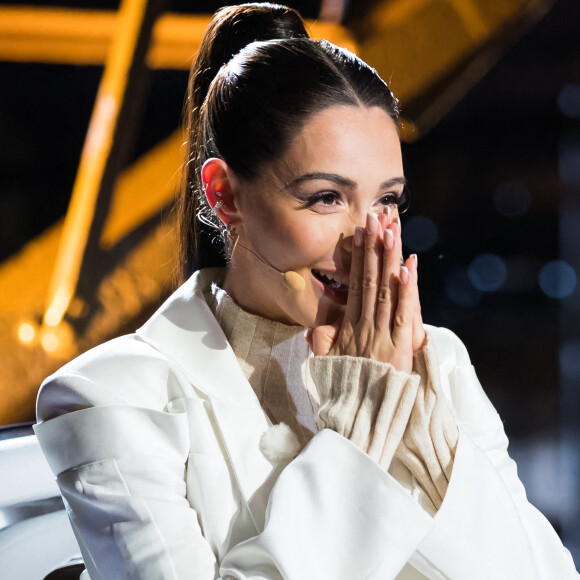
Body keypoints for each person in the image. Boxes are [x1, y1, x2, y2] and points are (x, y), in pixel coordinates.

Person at [34, 3, 579, 579]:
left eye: (386, 201)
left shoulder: (435, 365)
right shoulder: (112, 394)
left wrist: (428, 444)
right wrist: (359, 440)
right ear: (225, 195)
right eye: (326, 198)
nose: (365, 238)